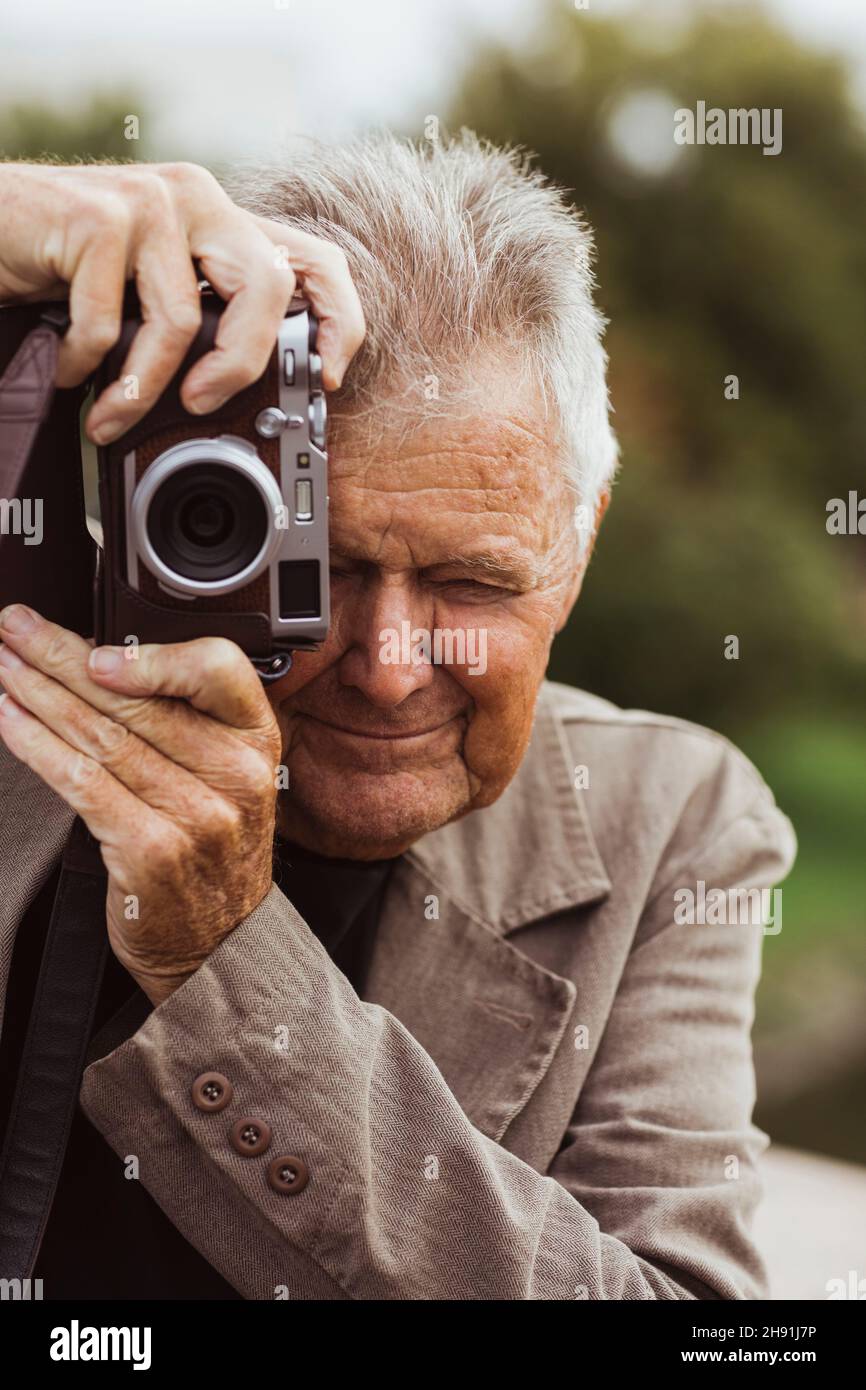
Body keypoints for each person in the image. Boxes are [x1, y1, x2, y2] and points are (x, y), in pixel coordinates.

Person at [0, 135, 795, 1300]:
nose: (386, 666)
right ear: (152, 509)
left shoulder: (664, 817)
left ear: (574, 553)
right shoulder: (30, 697)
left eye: (471, 583)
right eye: (310, 571)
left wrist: (226, 960)